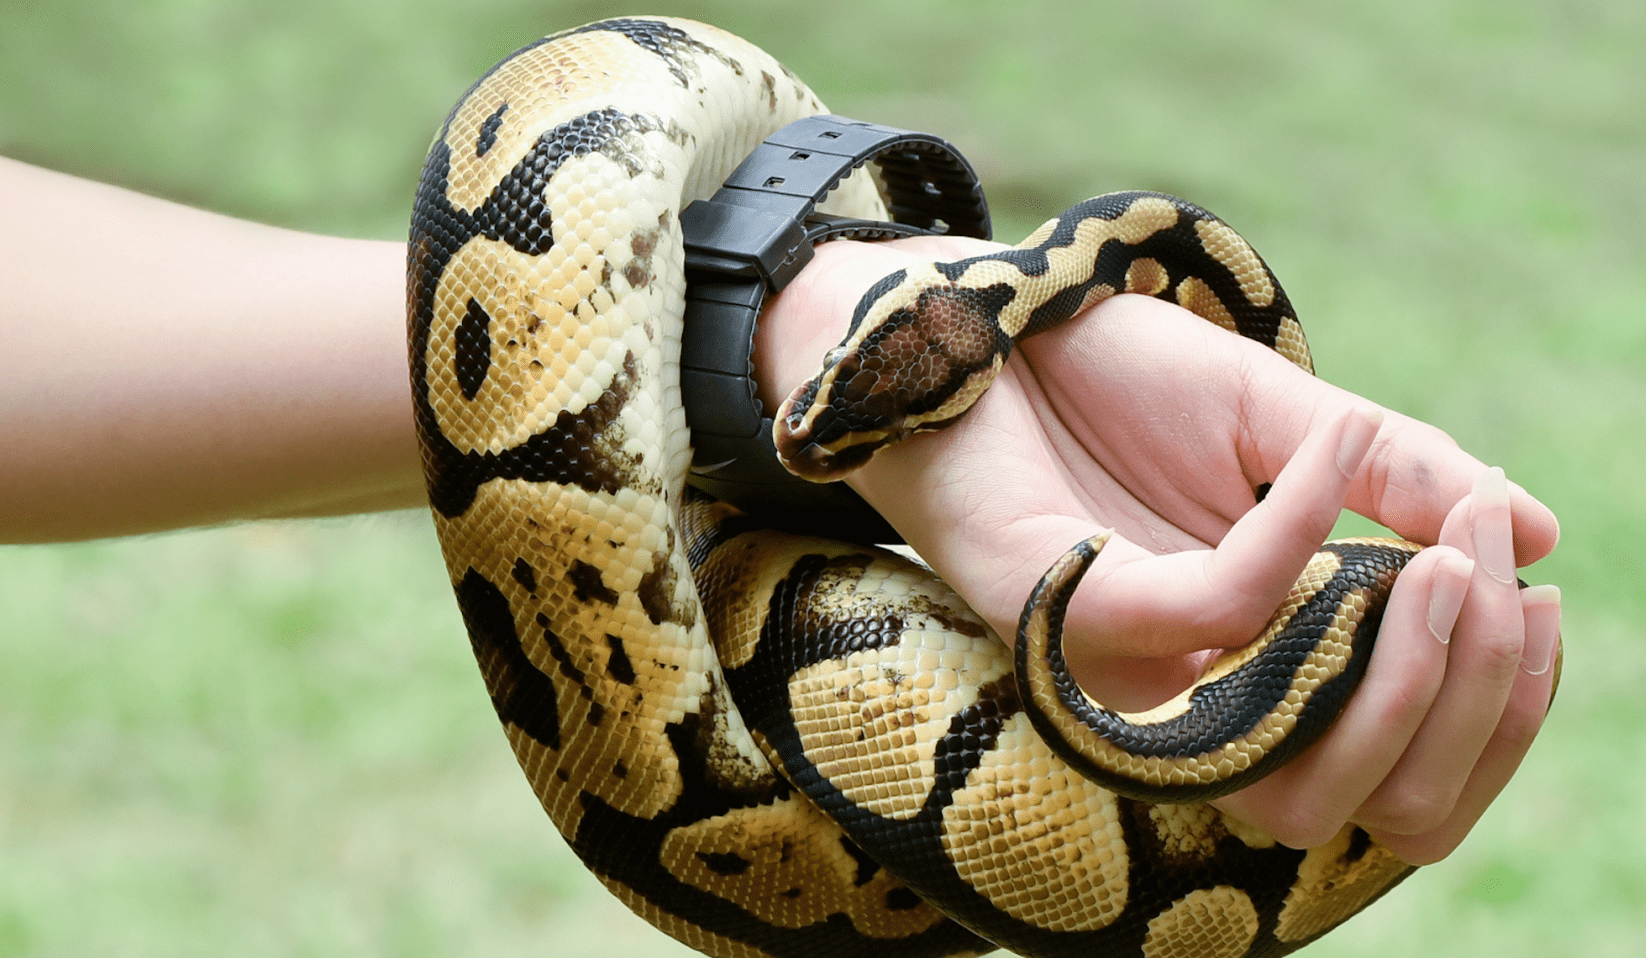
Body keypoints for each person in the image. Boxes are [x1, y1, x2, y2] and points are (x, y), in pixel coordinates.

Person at [0, 154, 1561, 867]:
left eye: (846, 413)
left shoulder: (1001, 321)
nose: (816, 444)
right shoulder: (1012, 305)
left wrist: (749, 326)